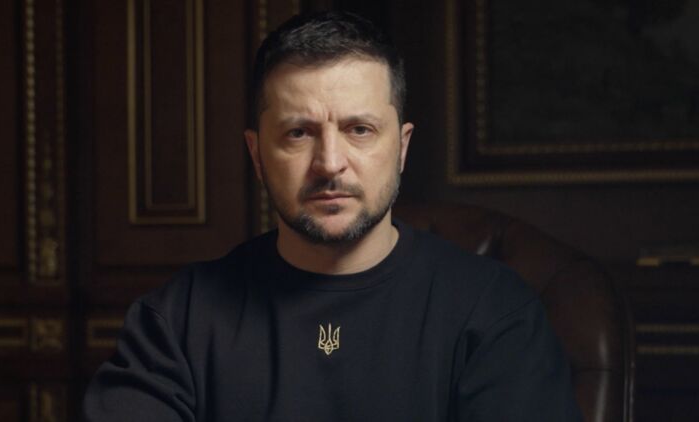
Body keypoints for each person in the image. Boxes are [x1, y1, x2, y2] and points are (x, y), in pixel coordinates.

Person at [83, 11, 582, 421]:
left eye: (359, 129)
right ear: (257, 155)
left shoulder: (494, 311)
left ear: (402, 147)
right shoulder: (178, 320)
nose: (329, 162)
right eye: (298, 133)